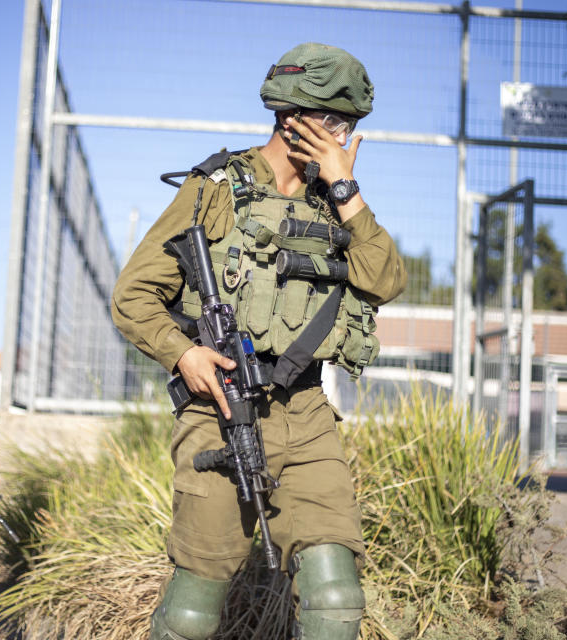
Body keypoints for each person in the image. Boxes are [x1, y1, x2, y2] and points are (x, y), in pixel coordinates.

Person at [111, 43, 407, 640]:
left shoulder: (335, 204)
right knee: (196, 604)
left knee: (335, 598)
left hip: (307, 411)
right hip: (220, 407)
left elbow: (386, 282)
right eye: (337, 124)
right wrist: (184, 353)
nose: (345, 139)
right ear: (293, 118)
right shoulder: (216, 187)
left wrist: (347, 189)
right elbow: (132, 296)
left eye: (350, 128)